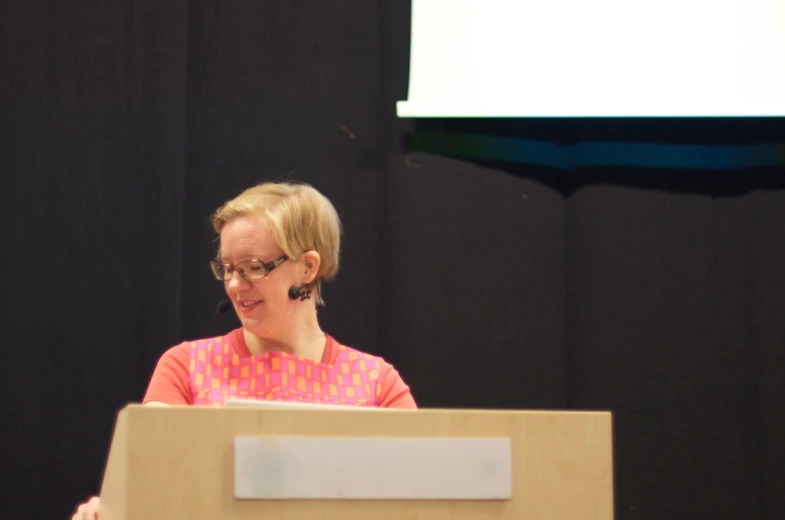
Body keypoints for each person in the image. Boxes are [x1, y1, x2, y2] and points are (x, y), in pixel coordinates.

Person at [71, 181, 416, 519]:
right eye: (227, 268)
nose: (235, 285)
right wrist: (111, 509)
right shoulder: (185, 365)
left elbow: (418, 498)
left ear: (308, 268)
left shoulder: (377, 383)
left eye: (253, 267)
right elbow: (146, 481)